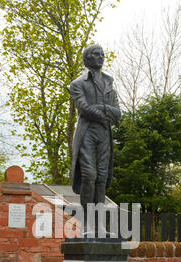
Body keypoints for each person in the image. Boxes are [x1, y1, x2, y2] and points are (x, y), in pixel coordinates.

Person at [69, 44, 121, 235]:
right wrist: (105, 112)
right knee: (89, 176)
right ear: (87, 58)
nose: (101, 58)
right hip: (87, 134)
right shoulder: (77, 84)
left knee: (101, 177)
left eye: (102, 55)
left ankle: (99, 226)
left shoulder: (109, 82)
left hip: (104, 134)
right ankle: (86, 226)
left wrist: (103, 109)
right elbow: (83, 109)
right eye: (96, 55)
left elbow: (118, 113)